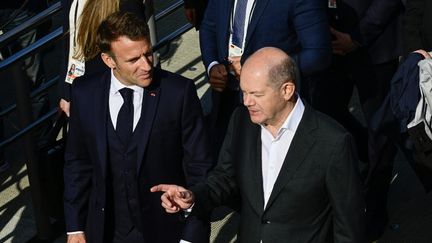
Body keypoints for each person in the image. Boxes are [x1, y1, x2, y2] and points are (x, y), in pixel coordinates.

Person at [152, 47, 366, 243]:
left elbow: (349, 227)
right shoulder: (242, 121)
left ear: (287, 90)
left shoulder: (332, 142)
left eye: (256, 94)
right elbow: (224, 179)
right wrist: (193, 197)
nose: (247, 101)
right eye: (244, 92)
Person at [64, 12, 213, 243]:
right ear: (108, 60)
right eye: (133, 60)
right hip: (106, 232)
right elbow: (77, 163)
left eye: (148, 54)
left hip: (165, 231)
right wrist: (75, 227)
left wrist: (191, 236)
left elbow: (200, 167)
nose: (146, 65)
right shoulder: (85, 93)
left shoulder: (178, 93)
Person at [200, 0, 332, 159]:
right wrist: (212, 65)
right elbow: (208, 26)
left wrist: (263, 70)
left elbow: (318, 54)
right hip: (225, 97)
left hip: (272, 109)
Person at [59, 0, 146, 117]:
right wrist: (66, 92)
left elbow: (137, 52)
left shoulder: (124, 4)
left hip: (117, 95)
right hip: (82, 90)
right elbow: (69, 44)